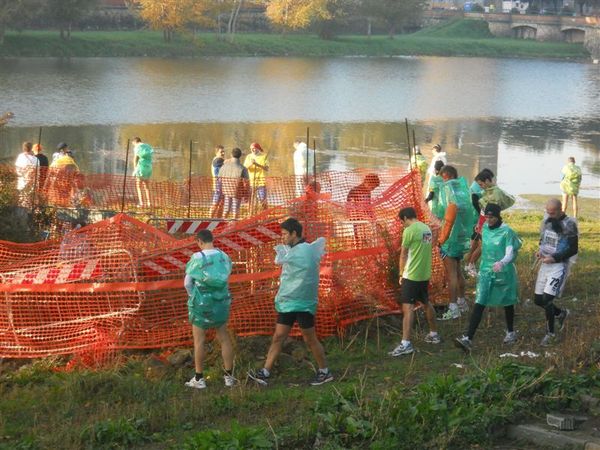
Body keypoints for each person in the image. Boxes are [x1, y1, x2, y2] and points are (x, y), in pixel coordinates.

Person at [248, 218, 332, 386]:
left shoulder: (304, 251)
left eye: (285, 234)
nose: (282, 237)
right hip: (288, 302)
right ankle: (265, 372)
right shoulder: (293, 251)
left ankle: (325, 371)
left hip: (302, 303)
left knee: (309, 338)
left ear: (294, 234)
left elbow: (303, 275)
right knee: (278, 336)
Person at [454, 204, 522, 352]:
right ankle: (468, 338)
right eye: (487, 217)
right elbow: (478, 244)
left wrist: (502, 262)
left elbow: (510, 252)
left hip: (503, 271)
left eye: (492, 217)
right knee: (480, 301)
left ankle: (510, 332)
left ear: (498, 216)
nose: (489, 220)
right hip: (486, 271)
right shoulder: (484, 228)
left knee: (507, 302)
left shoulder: (507, 231)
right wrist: (471, 261)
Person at [184, 229, 236, 389]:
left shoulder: (197, 257)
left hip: (202, 304)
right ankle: (229, 377)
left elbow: (187, 283)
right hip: (221, 303)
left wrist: (194, 296)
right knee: (224, 338)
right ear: (212, 240)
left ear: (199, 241)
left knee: (199, 340)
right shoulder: (224, 257)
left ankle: (199, 378)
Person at [389, 207, 440, 356]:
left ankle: (406, 343)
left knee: (408, 308)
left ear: (405, 218)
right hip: (424, 274)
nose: (403, 224)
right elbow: (428, 248)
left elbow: (403, 254)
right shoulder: (426, 229)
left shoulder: (409, 230)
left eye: (402, 221)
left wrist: (400, 273)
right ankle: (434, 333)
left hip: (411, 274)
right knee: (426, 302)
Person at [534, 198, 577, 346]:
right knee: (538, 300)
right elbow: (543, 240)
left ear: (561, 210)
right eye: (548, 212)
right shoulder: (547, 221)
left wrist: (555, 258)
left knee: (547, 299)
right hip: (545, 264)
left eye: (552, 213)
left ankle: (550, 334)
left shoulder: (570, 224)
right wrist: (540, 252)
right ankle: (560, 313)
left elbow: (573, 249)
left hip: (559, 266)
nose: (549, 215)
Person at [437, 165, 473, 320]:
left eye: (442, 177)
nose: (442, 181)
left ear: (447, 175)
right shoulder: (463, 190)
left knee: (451, 274)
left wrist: (442, 238)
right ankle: (462, 302)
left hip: (450, 240)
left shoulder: (450, 190)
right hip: (461, 237)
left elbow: (450, 215)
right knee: (458, 272)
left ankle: (453, 308)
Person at [218, 147, 249, 220]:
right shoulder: (242, 168)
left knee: (226, 210)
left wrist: (220, 191)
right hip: (237, 192)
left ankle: (222, 225)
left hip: (226, 191)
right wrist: (246, 194)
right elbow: (246, 183)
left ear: (231, 155)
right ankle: (234, 227)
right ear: (240, 156)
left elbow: (219, 179)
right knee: (235, 212)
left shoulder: (223, 166)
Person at [244, 142, 269, 210]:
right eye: (251, 149)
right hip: (251, 182)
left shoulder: (264, 156)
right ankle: (250, 214)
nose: (253, 150)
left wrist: (257, 164)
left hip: (261, 182)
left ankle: (265, 214)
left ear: (258, 148)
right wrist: (251, 164)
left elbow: (267, 168)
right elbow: (245, 168)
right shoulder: (248, 157)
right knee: (250, 201)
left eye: (254, 148)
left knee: (263, 200)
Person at [132, 137, 154, 208]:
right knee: (147, 186)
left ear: (134, 142)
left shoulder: (137, 147)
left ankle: (141, 203)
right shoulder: (148, 146)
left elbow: (135, 159)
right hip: (149, 167)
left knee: (138, 185)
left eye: (133, 144)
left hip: (141, 167)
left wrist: (135, 170)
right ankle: (149, 203)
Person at [210, 145, 226, 218]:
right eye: (221, 152)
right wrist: (235, 158)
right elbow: (227, 162)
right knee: (215, 203)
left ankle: (219, 220)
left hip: (223, 186)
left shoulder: (221, 159)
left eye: (223, 151)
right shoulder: (217, 160)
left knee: (221, 204)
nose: (223, 153)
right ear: (216, 153)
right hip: (218, 186)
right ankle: (209, 219)